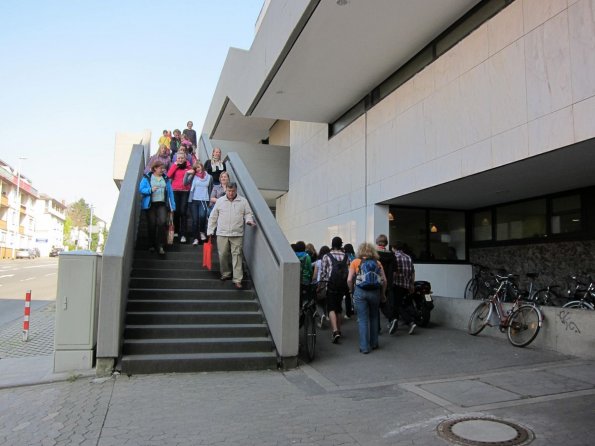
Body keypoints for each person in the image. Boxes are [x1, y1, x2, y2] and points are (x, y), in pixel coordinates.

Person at [207, 182, 256, 289]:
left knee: (237, 255)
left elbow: (248, 213)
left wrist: (249, 221)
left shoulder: (243, 201)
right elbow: (213, 217)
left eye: (233, 191)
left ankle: (237, 279)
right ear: (226, 191)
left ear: (236, 190)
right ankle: (225, 273)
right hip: (222, 233)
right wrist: (210, 230)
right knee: (223, 254)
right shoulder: (220, 201)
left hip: (237, 233)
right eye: (229, 191)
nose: (230, 193)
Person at [347, 242, 387, 354]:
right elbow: (384, 280)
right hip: (375, 292)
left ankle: (364, 347)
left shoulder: (355, 262)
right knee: (374, 317)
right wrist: (383, 294)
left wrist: (351, 291)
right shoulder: (378, 263)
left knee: (362, 320)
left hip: (360, 292)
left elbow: (349, 280)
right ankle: (374, 343)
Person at [138, 161, 175, 255]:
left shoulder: (165, 178)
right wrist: (150, 190)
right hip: (151, 204)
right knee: (152, 224)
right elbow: (141, 189)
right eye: (160, 168)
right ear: (155, 168)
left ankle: (160, 245)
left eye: (163, 168)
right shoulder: (147, 177)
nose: (163, 170)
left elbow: (170, 192)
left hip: (162, 204)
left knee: (162, 223)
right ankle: (151, 244)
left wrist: (173, 205)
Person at [319, 236, 349, 343]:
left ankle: (335, 330)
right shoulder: (346, 256)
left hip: (331, 284)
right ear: (341, 244)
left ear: (332, 244)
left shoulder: (327, 256)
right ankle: (339, 330)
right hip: (342, 285)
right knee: (339, 308)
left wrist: (320, 285)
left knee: (331, 308)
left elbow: (323, 273)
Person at [167, 153, 192, 243]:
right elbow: (168, 175)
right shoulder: (174, 166)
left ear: (185, 159)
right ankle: (176, 231)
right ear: (176, 159)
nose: (180, 159)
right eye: (179, 158)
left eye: (182, 158)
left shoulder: (188, 167)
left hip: (185, 191)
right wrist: (175, 165)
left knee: (183, 212)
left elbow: (191, 176)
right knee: (176, 211)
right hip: (175, 191)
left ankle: (183, 234)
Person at [185, 162, 212, 245]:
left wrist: (209, 200)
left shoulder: (209, 177)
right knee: (195, 220)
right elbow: (185, 183)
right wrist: (187, 173)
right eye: (196, 168)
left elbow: (210, 189)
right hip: (193, 200)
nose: (198, 169)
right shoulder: (193, 176)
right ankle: (195, 238)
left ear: (202, 167)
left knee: (203, 216)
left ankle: (202, 232)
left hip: (204, 200)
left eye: (199, 167)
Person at [394, 241, 417, 334]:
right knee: (404, 303)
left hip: (397, 284)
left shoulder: (395, 256)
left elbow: (394, 272)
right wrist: (412, 284)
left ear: (394, 247)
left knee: (397, 305)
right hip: (406, 285)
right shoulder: (408, 257)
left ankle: (410, 322)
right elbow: (413, 272)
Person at [375, 234, 397, 334]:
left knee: (376, 305)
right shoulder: (391, 254)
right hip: (389, 282)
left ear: (377, 242)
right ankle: (392, 319)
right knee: (386, 303)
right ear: (386, 243)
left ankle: (377, 328)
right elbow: (395, 271)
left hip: (377, 281)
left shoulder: (375, 254)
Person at [312, 245, 330, 329]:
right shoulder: (330, 261)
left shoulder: (318, 262)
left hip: (319, 283)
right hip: (328, 283)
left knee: (317, 300)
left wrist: (313, 281)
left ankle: (322, 315)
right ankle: (326, 315)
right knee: (325, 300)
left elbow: (315, 275)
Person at [343, 243, 356, 318]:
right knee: (353, 293)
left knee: (348, 294)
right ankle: (352, 307)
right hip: (354, 276)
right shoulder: (354, 256)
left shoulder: (346, 256)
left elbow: (346, 265)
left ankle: (349, 311)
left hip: (347, 276)